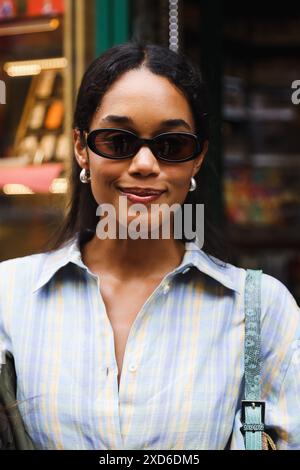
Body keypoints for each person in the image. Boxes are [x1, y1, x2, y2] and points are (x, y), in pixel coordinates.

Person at [0, 43, 299, 451]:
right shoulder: (9, 296)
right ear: (81, 148)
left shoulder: (262, 309)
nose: (143, 163)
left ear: (198, 158)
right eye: (118, 141)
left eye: (171, 145)